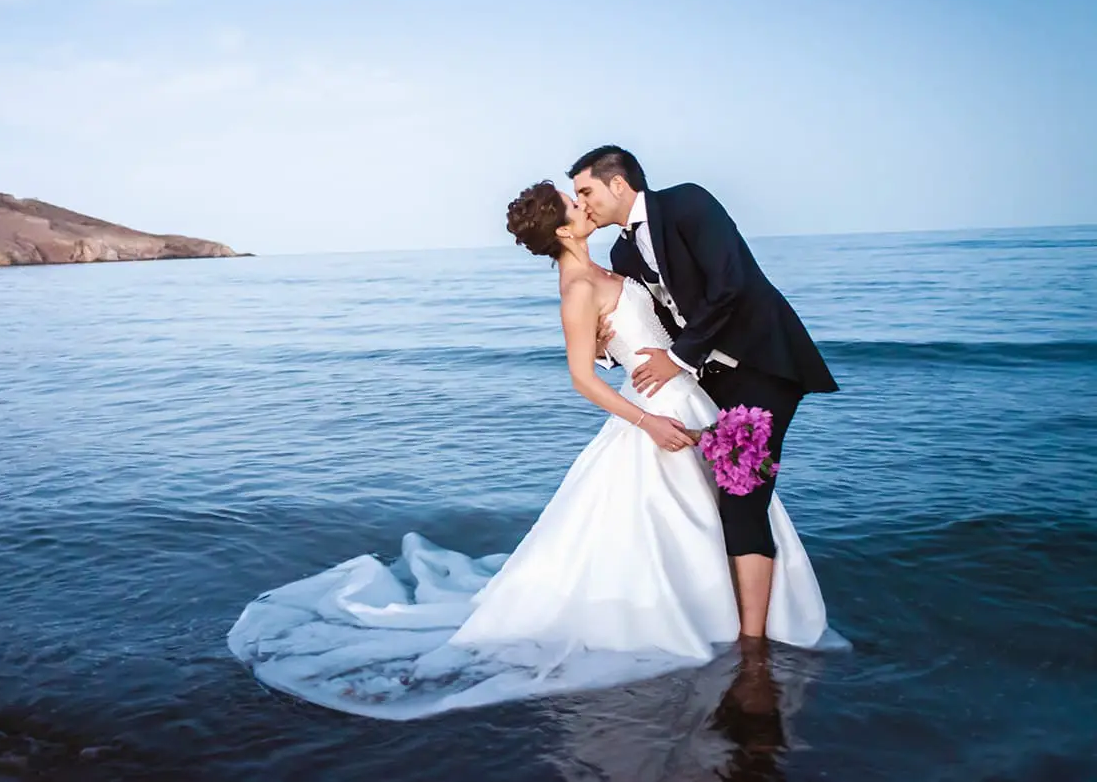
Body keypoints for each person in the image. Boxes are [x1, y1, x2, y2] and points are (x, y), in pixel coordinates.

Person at [226, 181, 837, 720]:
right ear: (566, 227)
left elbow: (659, 323)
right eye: (576, 202)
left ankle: (735, 627)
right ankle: (713, 633)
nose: (585, 204)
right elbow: (581, 379)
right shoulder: (576, 286)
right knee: (675, 520)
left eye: (585, 193)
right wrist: (646, 420)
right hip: (657, 412)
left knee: (719, 512)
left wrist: (625, 349)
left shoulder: (615, 265)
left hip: (688, 396)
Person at [568, 146, 837, 638]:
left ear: (619, 185)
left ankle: (754, 642)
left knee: (741, 494)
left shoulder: (688, 204)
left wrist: (676, 360)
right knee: (705, 496)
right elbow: (649, 323)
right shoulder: (621, 253)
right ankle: (717, 615)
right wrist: (608, 347)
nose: (582, 204)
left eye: (586, 191)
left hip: (762, 368)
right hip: (705, 381)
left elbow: (729, 285)